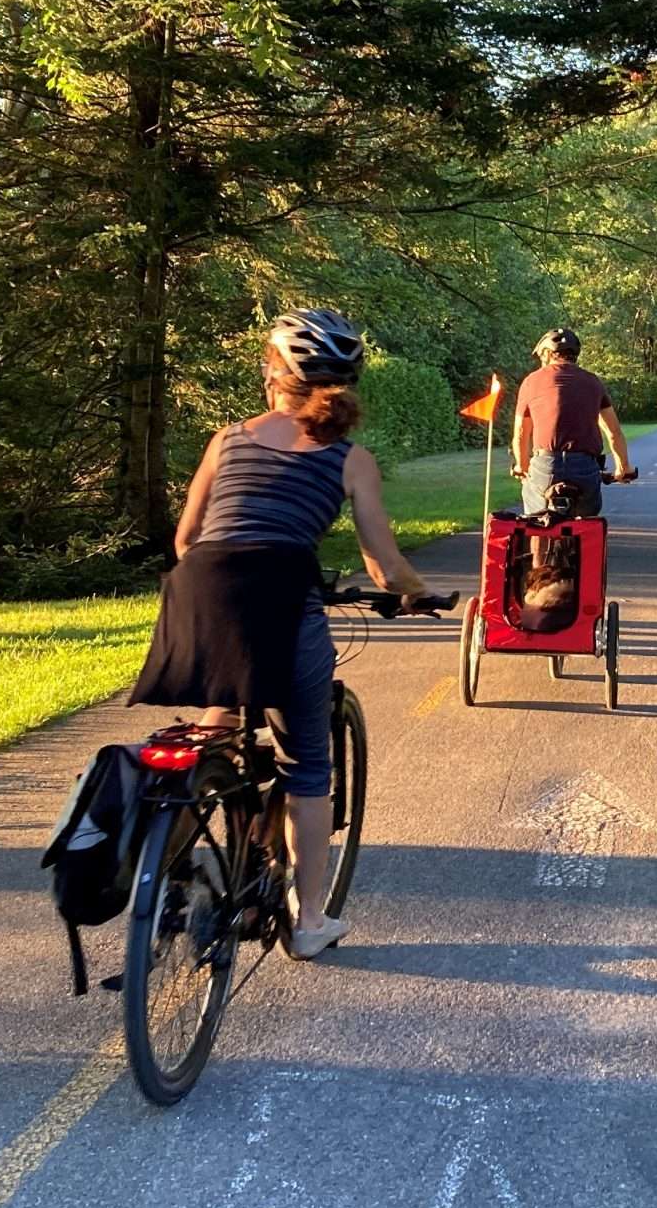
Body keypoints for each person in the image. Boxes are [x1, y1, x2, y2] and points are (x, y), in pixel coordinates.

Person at [128, 307, 431, 959]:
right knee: (307, 765)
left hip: (199, 598)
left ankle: (161, 876)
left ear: (273, 376)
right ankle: (310, 920)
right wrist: (416, 593)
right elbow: (382, 563)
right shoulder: (350, 460)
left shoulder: (226, 439)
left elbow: (186, 539)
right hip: (284, 606)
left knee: (215, 727)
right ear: (347, 386)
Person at [510, 326, 636, 514]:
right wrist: (623, 468)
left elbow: (521, 433)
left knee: (535, 521)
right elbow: (613, 432)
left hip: (545, 465)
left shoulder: (531, 382)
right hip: (584, 467)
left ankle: (537, 539)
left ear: (546, 354)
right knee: (586, 522)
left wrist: (522, 466)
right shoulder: (593, 382)